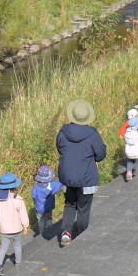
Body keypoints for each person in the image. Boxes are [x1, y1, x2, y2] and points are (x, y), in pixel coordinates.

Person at [56, 99, 106, 248]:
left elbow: (60, 148)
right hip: (86, 179)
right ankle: (79, 234)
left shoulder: (62, 133)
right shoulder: (92, 134)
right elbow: (100, 155)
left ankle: (66, 232)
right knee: (83, 209)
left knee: (70, 204)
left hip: (67, 177)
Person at [0, 172, 29, 276]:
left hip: (4, 230)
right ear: (14, 188)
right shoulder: (18, 200)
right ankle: (18, 264)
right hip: (16, 229)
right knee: (17, 245)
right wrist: (25, 226)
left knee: (3, 247)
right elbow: (23, 214)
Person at [31, 165, 63, 236]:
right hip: (49, 207)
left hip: (39, 208)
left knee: (40, 221)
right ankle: (49, 232)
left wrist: (35, 204)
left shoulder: (35, 188)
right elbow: (60, 185)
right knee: (49, 218)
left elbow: (33, 197)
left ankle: (41, 233)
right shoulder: (53, 185)